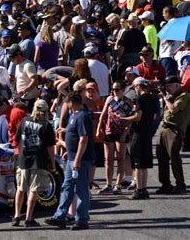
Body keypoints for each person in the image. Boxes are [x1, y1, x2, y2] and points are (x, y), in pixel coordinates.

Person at [45, 92, 95, 230]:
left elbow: (83, 139)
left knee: (81, 189)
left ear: (71, 102)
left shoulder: (82, 116)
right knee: (66, 187)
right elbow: (76, 132)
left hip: (80, 161)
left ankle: (82, 220)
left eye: (67, 103)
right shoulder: (75, 115)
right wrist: (67, 131)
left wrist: (77, 160)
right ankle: (60, 217)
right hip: (72, 158)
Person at [12, 99, 55, 227]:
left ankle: (16, 216)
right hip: (38, 161)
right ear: (46, 111)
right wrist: (52, 162)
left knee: (20, 188)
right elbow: (50, 148)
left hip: (23, 159)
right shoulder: (46, 125)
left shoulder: (24, 121)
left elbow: (16, 139)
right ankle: (28, 218)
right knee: (33, 190)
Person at [120, 77, 159, 199]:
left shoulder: (139, 99)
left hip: (139, 133)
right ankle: (144, 188)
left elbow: (137, 117)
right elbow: (155, 115)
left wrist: (123, 119)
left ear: (138, 86)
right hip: (148, 132)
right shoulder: (153, 99)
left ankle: (139, 189)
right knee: (144, 164)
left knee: (137, 164)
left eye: (135, 87)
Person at [97, 80, 134, 195]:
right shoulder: (109, 99)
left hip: (121, 131)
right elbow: (103, 114)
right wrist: (99, 128)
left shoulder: (128, 102)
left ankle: (117, 184)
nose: (114, 92)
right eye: (112, 89)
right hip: (109, 131)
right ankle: (108, 184)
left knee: (121, 158)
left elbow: (131, 119)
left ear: (122, 90)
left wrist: (125, 133)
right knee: (108, 159)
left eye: (117, 89)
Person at [156, 76, 190, 194]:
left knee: (174, 158)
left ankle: (180, 184)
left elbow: (173, 110)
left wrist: (165, 98)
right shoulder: (171, 96)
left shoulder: (184, 96)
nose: (167, 89)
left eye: (169, 86)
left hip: (175, 130)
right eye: (166, 87)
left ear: (177, 85)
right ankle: (165, 184)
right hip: (164, 128)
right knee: (161, 157)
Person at [9, 43, 39, 113]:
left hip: (29, 99)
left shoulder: (28, 65)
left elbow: (35, 80)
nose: (12, 61)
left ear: (19, 55)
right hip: (21, 98)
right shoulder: (17, 65)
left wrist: (25, 90)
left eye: (13, 58)